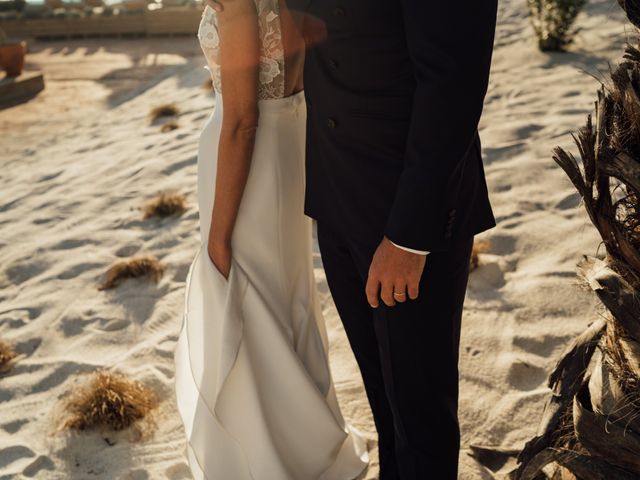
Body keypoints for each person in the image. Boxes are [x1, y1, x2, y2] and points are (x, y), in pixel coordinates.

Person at [192, 0, 499, 477]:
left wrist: (408, 238)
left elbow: (453, 88)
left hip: (406, 215)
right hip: (334, 202)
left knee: (421, 416)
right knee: (385, 402)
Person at [173, 1, 370, 479]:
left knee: (245, 293)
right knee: (283, 295)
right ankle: (304, 443)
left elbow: (242, 123)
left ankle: (273, 456)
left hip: (248, 161)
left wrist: (218, 237)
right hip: (290, 144)